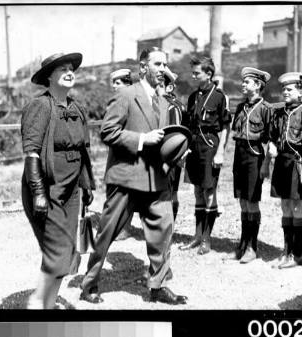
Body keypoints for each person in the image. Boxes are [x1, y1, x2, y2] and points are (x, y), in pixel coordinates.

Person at [80, 47, 187, 305]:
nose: (163, 69)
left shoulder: (163, 101)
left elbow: (164, 138)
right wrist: (141, 139)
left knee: (163, 231)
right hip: (126, 178)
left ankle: (157, 286)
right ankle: (89, 284)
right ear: (143, 67)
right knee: (106, 234)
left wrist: (177, 152)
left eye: (165, 64)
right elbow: (107, 132)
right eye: (158, 64)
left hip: (156, 178)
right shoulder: (125, 95)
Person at [21, 52, 96, 309]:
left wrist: (86, 187)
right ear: (49, 77)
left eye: (71, 68)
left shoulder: (77, 108)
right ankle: (36, 303)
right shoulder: (40, 106)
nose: (69, 71)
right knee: (55, 253)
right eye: (62, 68)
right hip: (47, 188)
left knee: (65, 252)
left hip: (71, 190)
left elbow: (84, 150)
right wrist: (39, 193)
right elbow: (31, 153)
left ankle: (48, 304)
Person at [179, 56, 230, 255]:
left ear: (208, 74)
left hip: (210, 145)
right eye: (192, 72)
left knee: (209, 191)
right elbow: (189, 124)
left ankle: (207, 240)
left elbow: (226, 126)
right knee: (197, 191)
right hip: (194, 145)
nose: (193, 76)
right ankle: (197, 236)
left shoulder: (219, 96)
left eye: (196, 73)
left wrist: (220, 152)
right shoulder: (193, 96)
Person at [264, 72, 302, 269]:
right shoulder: (279, 113)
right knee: (285, 206)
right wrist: (272, 148)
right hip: (281, 164)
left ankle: (298, 254)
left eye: (290, 89)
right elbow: (273, 138)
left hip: (298, 163)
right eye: (283, 89)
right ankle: (286, 251)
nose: (285, 92)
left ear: (300, 91)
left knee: (297, 207)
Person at [230, 67, 272, 263]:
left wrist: (266, 165)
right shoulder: (240, 108)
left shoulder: (266, 109)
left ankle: (252, 247)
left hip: (255, 156)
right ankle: (242, 243)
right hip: (240, 155)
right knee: (242, 200)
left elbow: (270, 139)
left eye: (247, 82)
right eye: (243, 82)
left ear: (257, 85)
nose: (243, 85)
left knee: (252, 201)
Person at [109, 68, 135, 241]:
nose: (115, 86)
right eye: (114, 83)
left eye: (118, 83)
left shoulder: (133, 101)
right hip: (116, 151)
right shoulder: (116, 101)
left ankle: (125, 228)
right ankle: (116, 226)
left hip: (130, 150)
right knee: (115, 189)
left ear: (127, 84)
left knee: (129, 191)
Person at [161, 67, 187, 220]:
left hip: (170, 156)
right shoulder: (157, 104)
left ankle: (169, 226)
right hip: (157, 156)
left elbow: (176, 135)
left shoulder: (173, 106)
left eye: (160, 85)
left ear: (169, 87)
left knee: (171, 191)